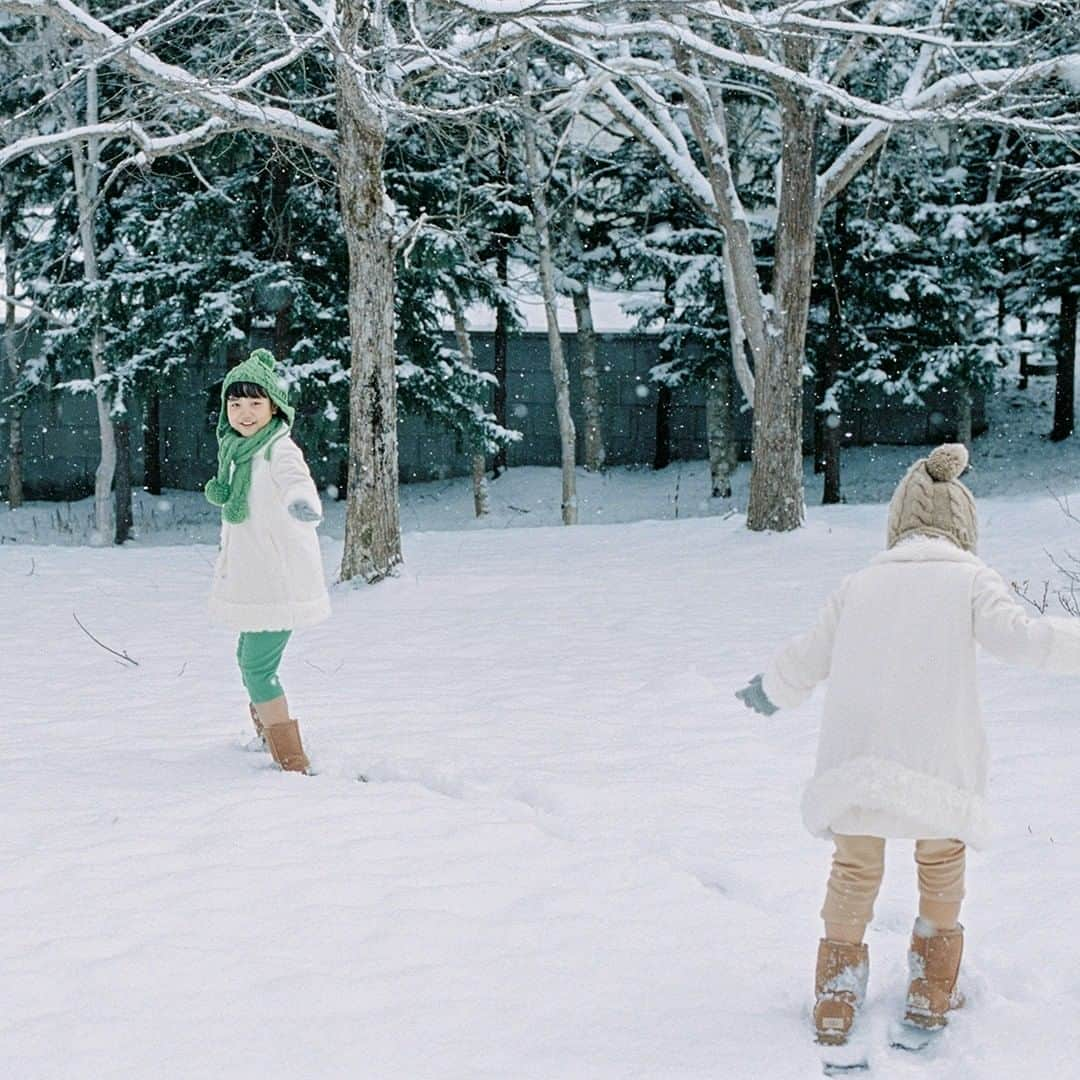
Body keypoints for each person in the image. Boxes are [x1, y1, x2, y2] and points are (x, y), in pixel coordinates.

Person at [736, 443, 1080, 1047]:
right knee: (941, 865)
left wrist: (770, 689)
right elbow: (1024, 640)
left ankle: (836, 998)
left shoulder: (860, 583)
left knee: (853, 869)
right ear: (963, 526)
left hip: (859, 761)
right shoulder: (972, 580)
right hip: (936, 764)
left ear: (898, 524)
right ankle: (930, 989)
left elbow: (810, 654)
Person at [205, 347, 330, 774]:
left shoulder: (279, 448)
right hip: (254, 578)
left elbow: (297, 480)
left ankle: (292, 760)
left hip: (279, 579)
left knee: (258, 666)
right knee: (247, 656)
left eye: (255, 403)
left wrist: (301, 503)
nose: (244, 412)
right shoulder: (236, 452)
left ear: (274, 407)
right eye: (235, 403)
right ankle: (266, 733)